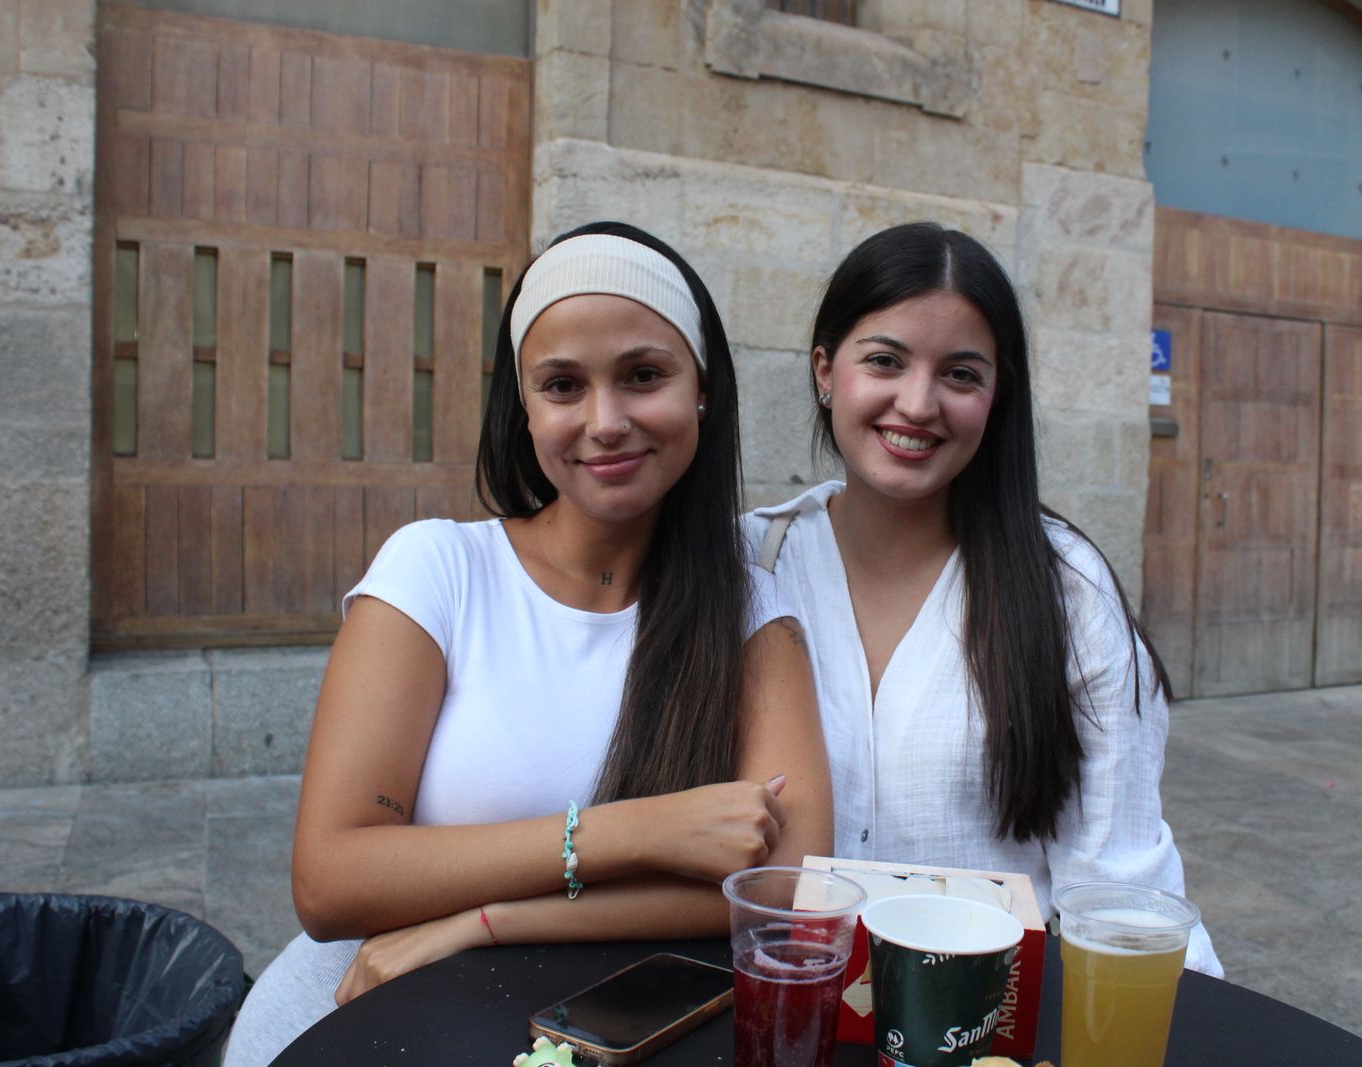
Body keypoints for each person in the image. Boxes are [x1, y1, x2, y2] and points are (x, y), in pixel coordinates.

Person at [224, 222, 832, 1064]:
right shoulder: (437, 571)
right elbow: (330, 883)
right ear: (525, 406)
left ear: (703, 390)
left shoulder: (752, 613)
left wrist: (485, 921)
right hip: (365, 1018)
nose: (606, 420)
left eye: (644, 375)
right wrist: (637, 833)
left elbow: (785, 886)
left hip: (584, 1037)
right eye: (562, 385)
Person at [745, 222, 1221, 975]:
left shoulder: (1066, 590)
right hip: (790, 1023)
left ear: (998, 396)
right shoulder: (753, 566)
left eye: (961, 374)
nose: (918, 402)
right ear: (825, 370)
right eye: (884, 361)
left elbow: (1121, 890)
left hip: (989, 1032)